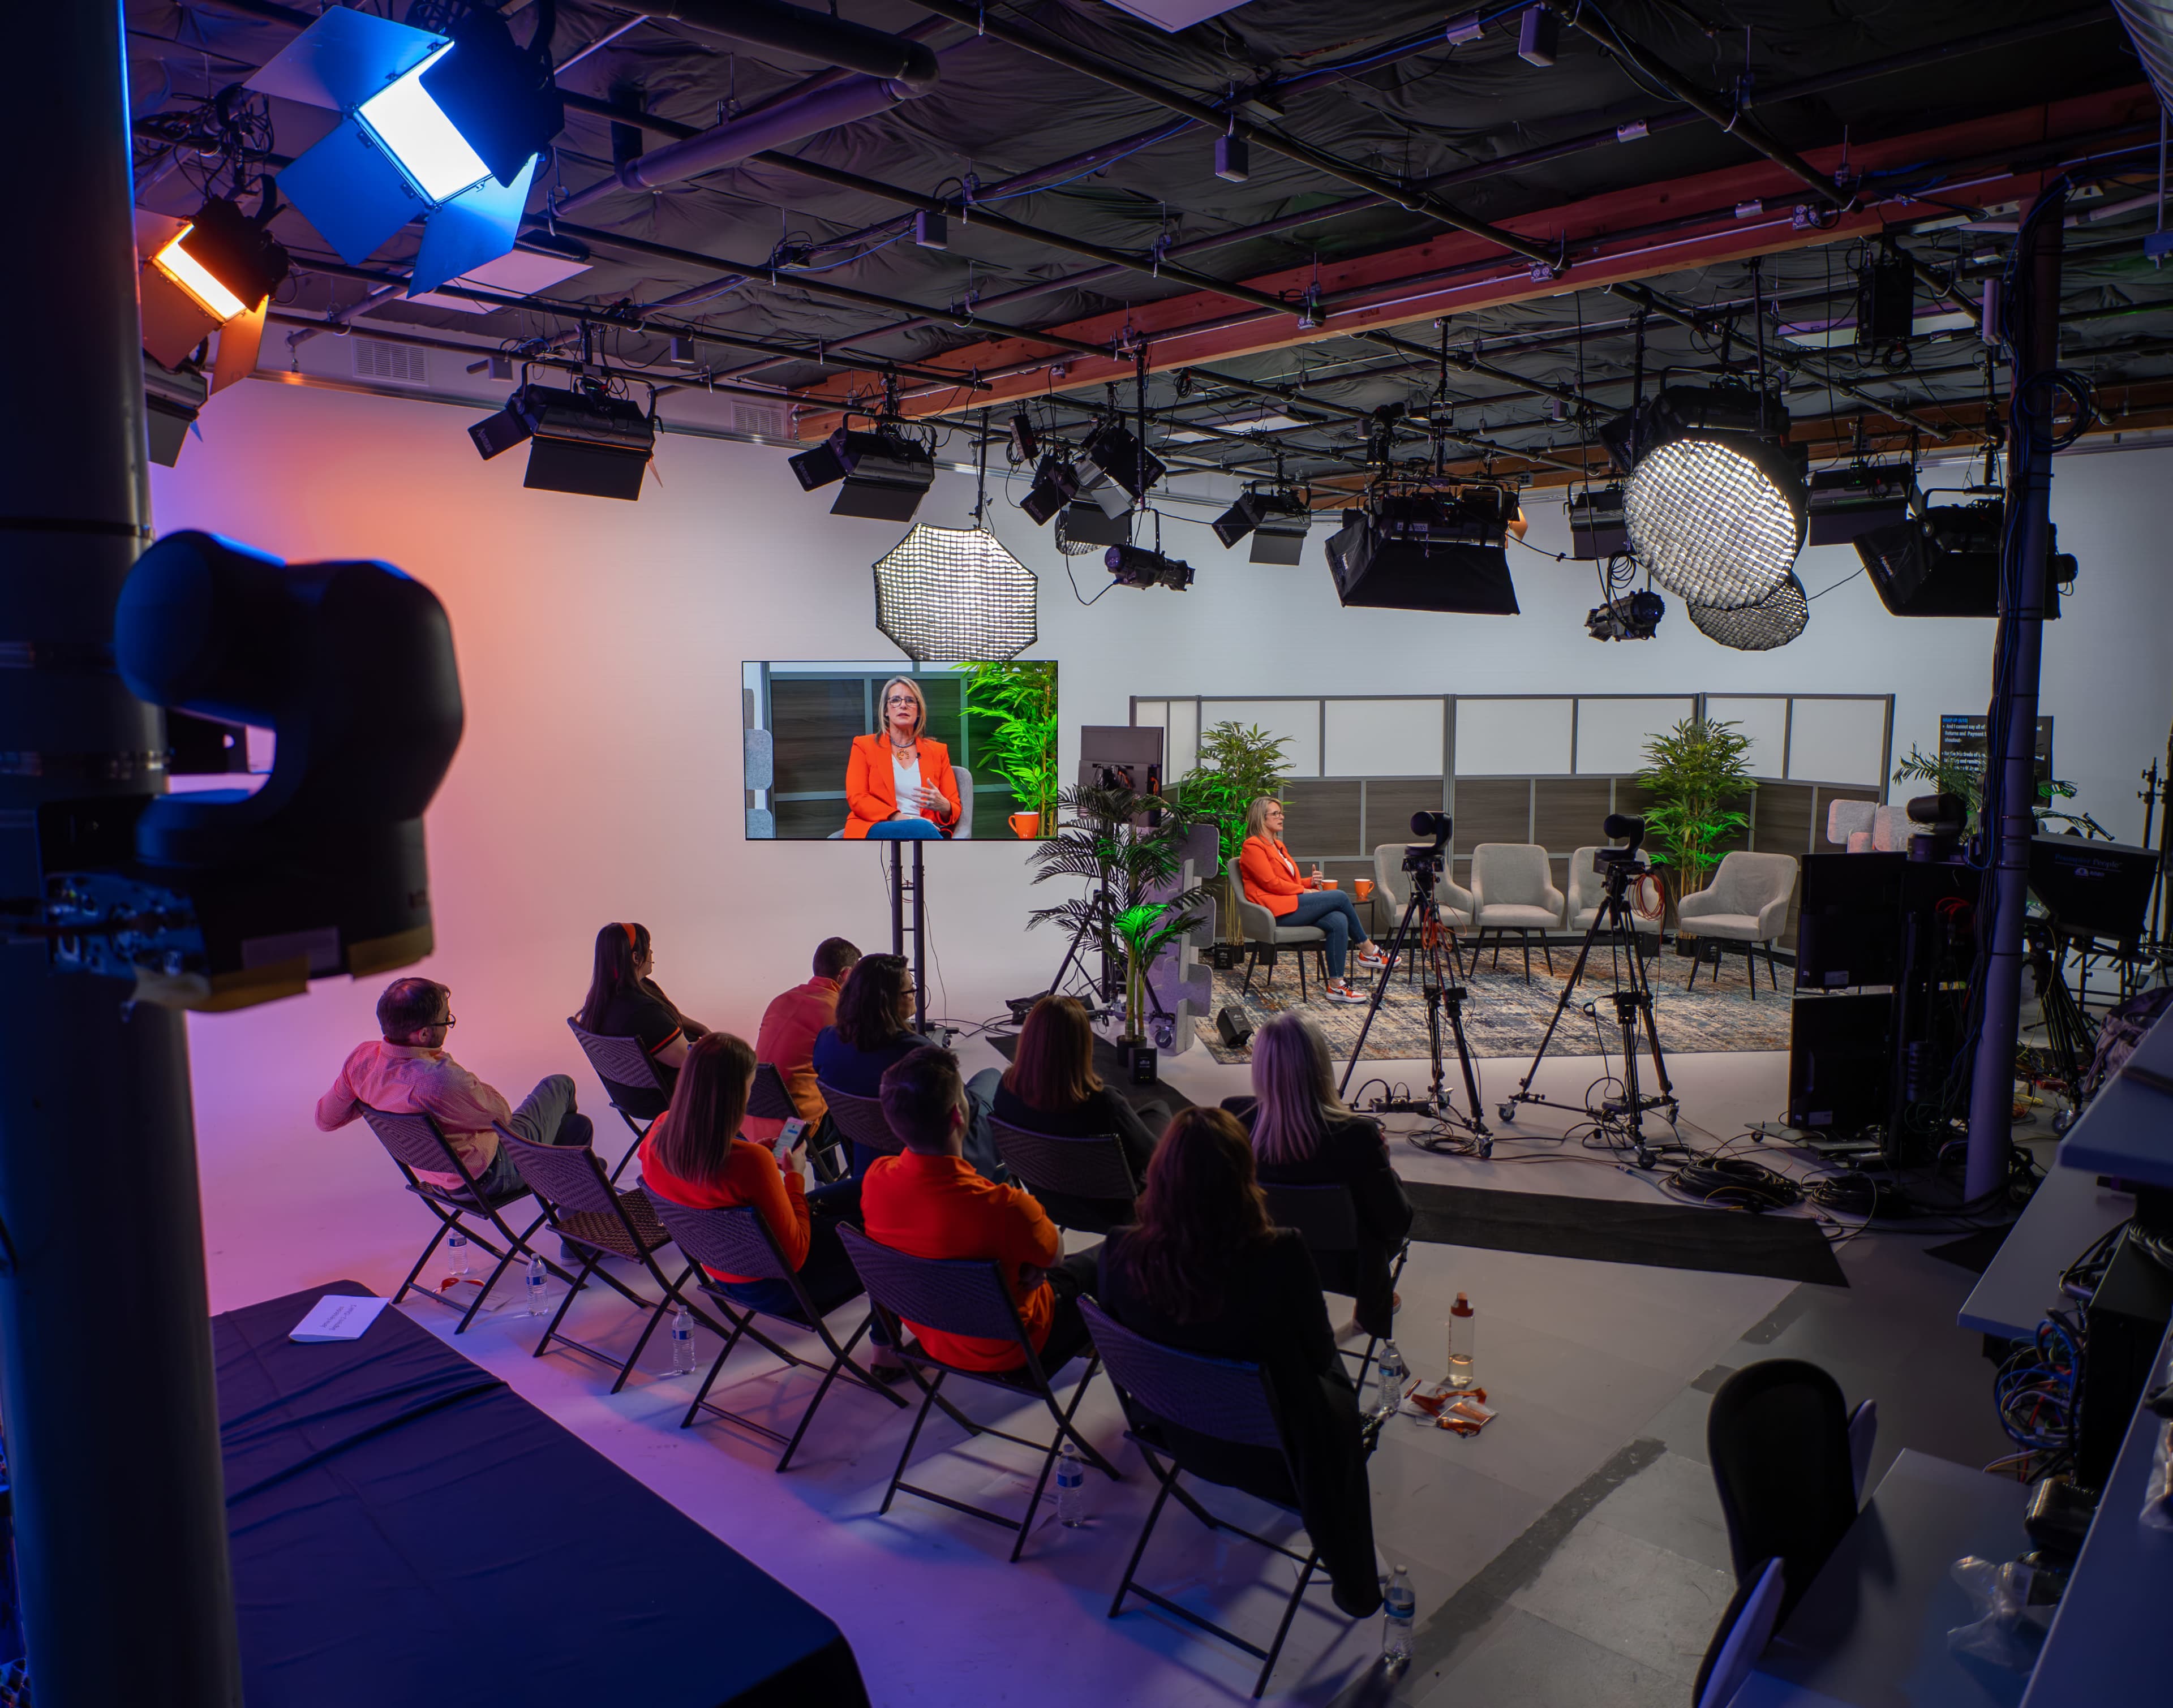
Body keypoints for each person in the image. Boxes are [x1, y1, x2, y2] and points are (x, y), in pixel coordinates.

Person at [1097, 1106, 1382, 1617]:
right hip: (1275, 1456)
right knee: (1332, 1385)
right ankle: (1354, 1578)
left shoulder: (1121, 1249)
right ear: (1244, 1177)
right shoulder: (1279, 1254)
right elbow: (1320, 1355)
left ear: (1159, 1173)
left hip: (1173, 1430)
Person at [639, 1030, 901, 1374]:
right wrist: (794, 1174)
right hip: (782, 1287)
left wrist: (757, 1155)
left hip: (726, 1269)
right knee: (892, 1226)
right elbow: (796, 1256)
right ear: (736, 1095)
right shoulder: (749, 1163)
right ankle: (887, 1353)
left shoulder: (659, 1134)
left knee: (874, 1185)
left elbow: (710, 1187)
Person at [861, 1045, 1101, 1375]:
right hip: (1017, 1348)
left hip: (933, 1339)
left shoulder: (875, 1180)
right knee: (1117, 1254)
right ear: (958, 1115)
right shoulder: (1006, 1206)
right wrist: (1032, 1263)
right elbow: (1055, 1256)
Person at [1224, 1012, 1413, 1343]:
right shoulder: (1357, 1134)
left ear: (1260, 1067)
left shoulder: (1236, 1119)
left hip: (1259, 1256)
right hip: (1345, 1270)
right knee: (1375, 1217)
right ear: (1321, 1064)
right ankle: (1369, 1313)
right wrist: (1388, 1169)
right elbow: (1397, 1224)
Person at [318, 976, 593, 1195]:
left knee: (576, 1127)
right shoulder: (440, 1080)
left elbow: (325, 1119)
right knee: (560, 1085)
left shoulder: (362, 1059)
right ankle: (577, 1199)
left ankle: (576, 1192)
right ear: (424, 1034)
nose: (448, 1026)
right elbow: (503, 1114)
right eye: (446, 1020)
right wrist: (440, 1059)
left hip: (435, 1178)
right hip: (487, 1178)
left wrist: (376, 1096)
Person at [810, 953, 1003, 1180]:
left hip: (869, 1158)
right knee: (992, 1078)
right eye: (910, 990)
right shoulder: (918, 1054)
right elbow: (964, 1110)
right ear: (889, 1001)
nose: (914, 995)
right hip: (941, 1158)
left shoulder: (827, 1041)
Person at [991, 994, 1164, 1232]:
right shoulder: (1104, 1103)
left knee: (1151, 1114)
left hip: (1048, 1202)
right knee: (1161, 1115)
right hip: (1115, 1213)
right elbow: (1155, 1157)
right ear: (1083, 1044)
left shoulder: (1006, 1091)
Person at [1236, 797, 1385, 1003]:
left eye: (1281, 813)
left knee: (1338, 919)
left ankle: (1336, 985)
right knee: (1340, 896)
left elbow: (1287, 881)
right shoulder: (1252, 846)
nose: (1281, 817)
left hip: (1290, 904)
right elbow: (1270, 883)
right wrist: (1304, 891)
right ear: (1261, 818)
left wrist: (1308, 882)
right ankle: (1368, 950)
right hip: (1273, 912)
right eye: (1275, 814)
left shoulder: (1278, 846)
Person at [574, 922, 712, 1119]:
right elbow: (687, 1058)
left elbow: (670, 1015)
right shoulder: (642, 1011)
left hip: (629, 1096)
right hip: (662, 1098)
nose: (652, 952)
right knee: (737, 1068)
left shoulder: (601, 1002)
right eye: (648, 947)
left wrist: (703, 1030)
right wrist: (715, 1046)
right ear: (636, 957)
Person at [744, 936, 861, 1147]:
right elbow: (855, 1062)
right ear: (846, 974)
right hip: (795, 1130)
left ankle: (825, 1169)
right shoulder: (840, 1010)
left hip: (750, 1123)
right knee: (860, 1107)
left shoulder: (781, 1000)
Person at [841, 676, 962, 841]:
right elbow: (857, 798)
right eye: (896, 700)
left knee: (923, 829)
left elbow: (954, 807)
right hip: (878, 825)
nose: (903, 705)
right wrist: (902, 818)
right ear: (886, 710)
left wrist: (944, 805)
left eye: (910, 701)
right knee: (922, 828)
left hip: (926, 829)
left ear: (918, 711)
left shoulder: (938, 751)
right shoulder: (864, 746)